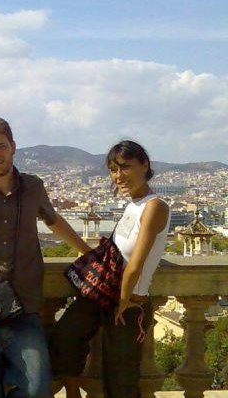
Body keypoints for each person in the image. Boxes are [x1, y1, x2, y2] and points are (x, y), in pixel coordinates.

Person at [0, 117, 91, 398]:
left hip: (23, 303)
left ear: (13, 147)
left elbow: (54, 221)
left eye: (1, 146)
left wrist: (89, 253)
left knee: (36, 388)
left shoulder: (33, 187)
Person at [50, 140, 170, 398]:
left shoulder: (155, 206)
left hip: (128, 305)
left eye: (125, 167)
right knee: (65, 337)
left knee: (120, 380)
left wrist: (123, 301)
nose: (118, 176)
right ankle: (73, 392)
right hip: (104, 298)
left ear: (145, 165)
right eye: (113, 170)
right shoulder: (131, 206)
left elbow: (135, 264)